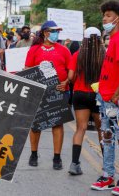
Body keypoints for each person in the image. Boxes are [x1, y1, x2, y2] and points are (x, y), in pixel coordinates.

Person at [91, 0, 119, 196]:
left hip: (116, 99)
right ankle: (108, 176)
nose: (104, 19)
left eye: (108, 16)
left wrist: (117, 93)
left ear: (117, 18)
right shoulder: (112, 39)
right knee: (107, 138)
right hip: (106, 99)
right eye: (104, 15)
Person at [25, 20, 71, 170]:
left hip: (59, 91)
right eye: (54, 31)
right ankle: (33, 153)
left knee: (57, 123)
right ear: (46, 33)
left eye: (58, 31)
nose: (57, 33)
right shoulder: (35, 50)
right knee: (36, 124)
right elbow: (27, 69)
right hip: (39, 91)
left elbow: (71, 69)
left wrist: (66, 81)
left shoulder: (64, 50)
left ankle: (57, 157)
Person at [68, 27, 104, 175]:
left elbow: (71, 77)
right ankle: (107, 166)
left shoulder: (77, 54)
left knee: (80, 128)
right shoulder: (103, 55)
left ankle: (74, 163)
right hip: (98, 95)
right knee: (102, 129)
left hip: (80, 94)